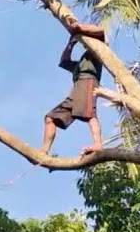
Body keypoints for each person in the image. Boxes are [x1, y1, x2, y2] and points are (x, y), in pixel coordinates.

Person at [41, 20, 106, 157]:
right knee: (50, 118)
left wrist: (79, 27)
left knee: (89, 114)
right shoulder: (80, 64)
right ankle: (44, 150)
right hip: (77, 87)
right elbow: (64, 61)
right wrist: (71, 43)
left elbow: (100, 31)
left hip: (88, 82)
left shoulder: (96, 51)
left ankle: (98, 144)